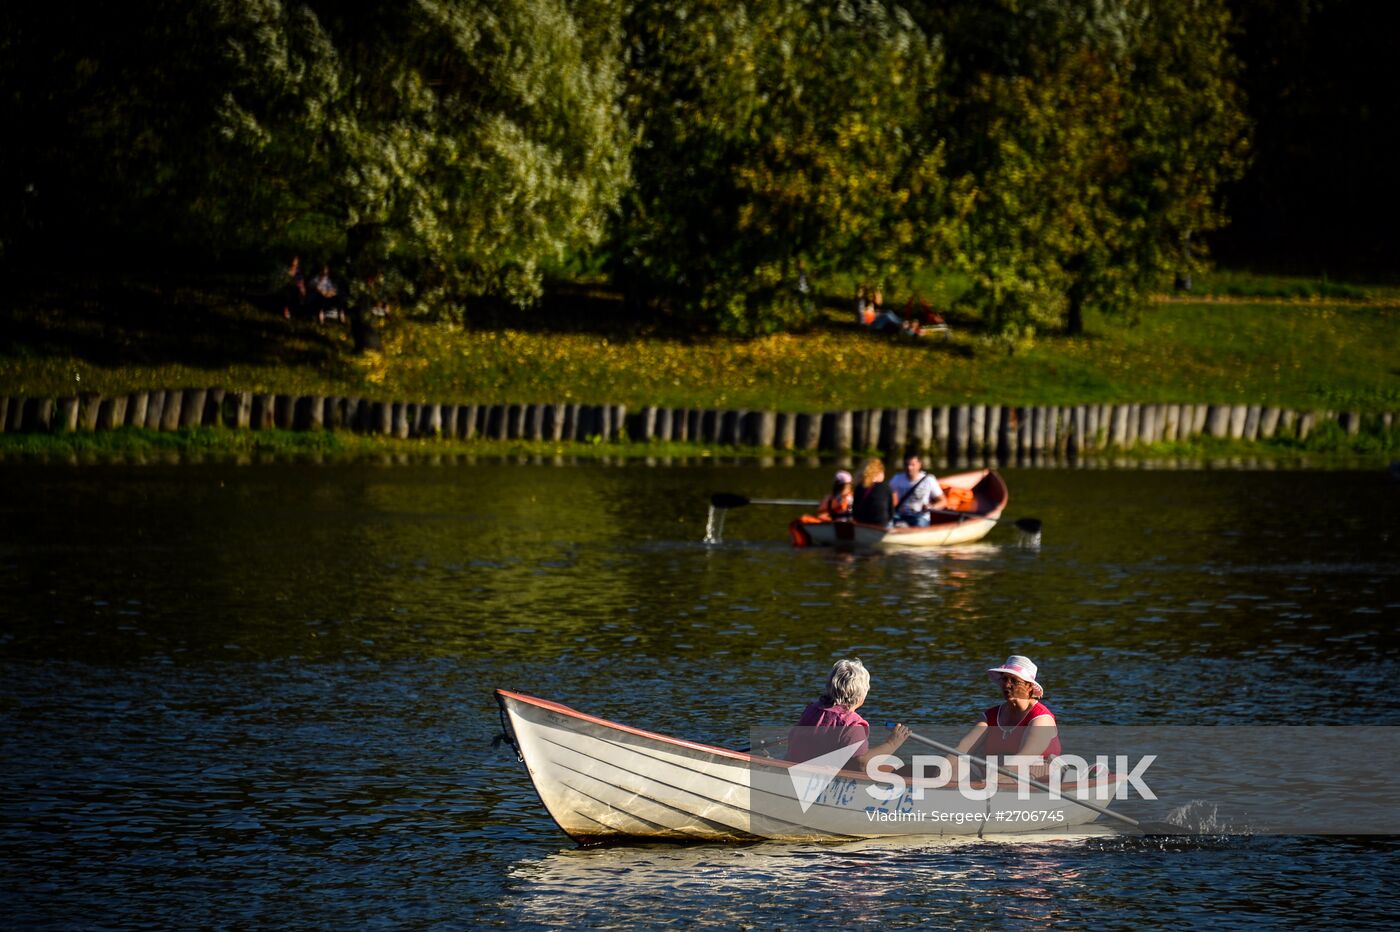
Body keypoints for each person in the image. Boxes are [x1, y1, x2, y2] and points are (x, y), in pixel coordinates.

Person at [949, 655, 1062, 784]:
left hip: (1036, 772)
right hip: (995, 769)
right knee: (956, 769)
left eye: (1014, 681)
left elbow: (1023, 759)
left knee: (1008, 777)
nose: (1007, 685)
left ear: (1029, 686)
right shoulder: (989, 716)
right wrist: (939, 776)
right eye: (1004, 679)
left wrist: (988, 783)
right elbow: (962, 749)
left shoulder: (1041, 719)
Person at [788, 658, 910, 772]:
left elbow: (793, 737)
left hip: (799, 771)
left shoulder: (811, 710)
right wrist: (892, 743)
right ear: (862, 696)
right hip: (824, 781)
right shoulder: (852, 725)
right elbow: (861, 764)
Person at [888, 453, 946, 527]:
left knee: (919, 524)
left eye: (912, 465)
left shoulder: (928, 480)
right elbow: (887, 498)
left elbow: (943, 501)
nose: (909, 468)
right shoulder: (896, 479)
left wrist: (932, 507)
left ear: (919, 465)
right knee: (888, 524)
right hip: (900, 515)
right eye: (906, 465)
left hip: (920, 517)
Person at [851, 458, 894, 526]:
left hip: (862, 525)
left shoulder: (859, 487)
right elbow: (891, 513)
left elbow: (854, 512)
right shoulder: (885, 487)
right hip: (881, 526)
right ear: (879, 472)